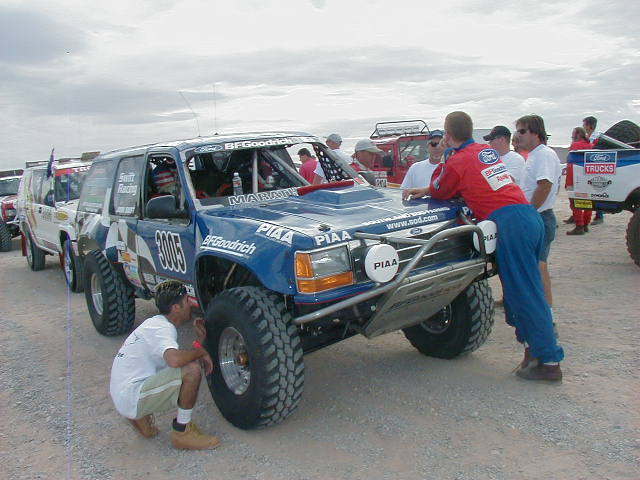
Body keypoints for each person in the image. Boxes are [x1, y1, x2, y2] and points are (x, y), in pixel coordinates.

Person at [405, 111, 564, 381]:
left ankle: (548, 360)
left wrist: (441, 166)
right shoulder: (485, 151)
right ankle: (534, 352)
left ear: (448, 134)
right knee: (525, 289)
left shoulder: (458, 159)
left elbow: (443, 189)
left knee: (525, 292)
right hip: (528, 216)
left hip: (510, 222)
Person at [109, 280, 220, 450]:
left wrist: (199, 343)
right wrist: (201, 352)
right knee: (192, 371)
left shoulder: (154, 324)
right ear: (176, 307)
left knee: (184, 365)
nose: (190, 304)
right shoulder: (163, 329)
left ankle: (138, 416)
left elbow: (176, 359)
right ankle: (182, 433)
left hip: (123, 391)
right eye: (186, 301)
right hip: (131, 394)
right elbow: (175, 361)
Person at [514, 114, 562, 310]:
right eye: (518, 131)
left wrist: (529, 212)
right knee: (534, 265)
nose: (518, 136)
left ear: (536, 132)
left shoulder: (543, 155)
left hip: (540, 217)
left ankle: (546, 315)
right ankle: (539, 310)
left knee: (538, 266)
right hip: (537, 216)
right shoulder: (535, 155)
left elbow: (544, 186)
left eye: (522, 131)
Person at [564, 127, 593, 234]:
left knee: (574, 203)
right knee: (588, 202)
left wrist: (568, 183)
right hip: (588, 178)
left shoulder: (575, 145)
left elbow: (570, 163)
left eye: (573, 134)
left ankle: (579, 226)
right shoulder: (590, 146)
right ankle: (585, 224)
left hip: (574, 178)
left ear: (577, 135)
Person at [583, 116, 604, 225]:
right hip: (589, 168)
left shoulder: (598, 137)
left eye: (584, 124)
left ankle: (599, 216)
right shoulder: (586, 136)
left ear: (589, 125)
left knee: (597, 191)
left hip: (597, 167)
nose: (583, 127)